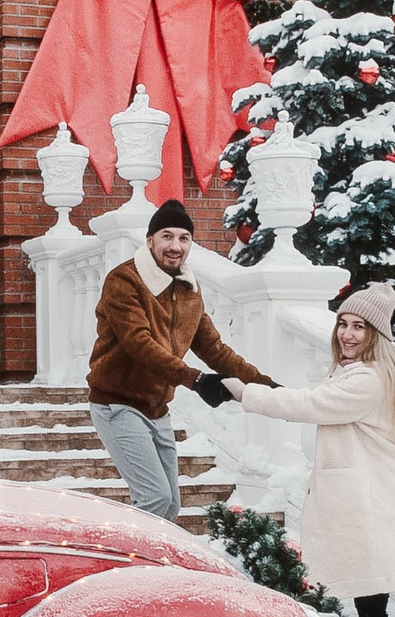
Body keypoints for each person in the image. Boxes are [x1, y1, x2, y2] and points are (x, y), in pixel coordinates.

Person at [222, 283, 395, 617]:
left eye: (360, 327)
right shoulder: (366, 375)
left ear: (377, 335)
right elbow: (318, 401)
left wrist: (244, 393)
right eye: (343, 323)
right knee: (368, 607)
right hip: (369, 508)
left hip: (366, 511)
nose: (347, 334)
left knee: (347, 604)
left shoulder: (368, 379)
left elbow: (312, 404)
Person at [86, 199, 271, 525]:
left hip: (157, 409)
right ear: (150, 241)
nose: (175, 246)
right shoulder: (124, 281)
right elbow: (139, 345)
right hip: (117, 404)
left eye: (184, 238)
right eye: (167, 236)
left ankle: (149, 568)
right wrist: (197, 381)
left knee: (169, 504)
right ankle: (131, 570)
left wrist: (263, 383)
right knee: (154, 498)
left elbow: (213, 348)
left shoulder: (189, 287)